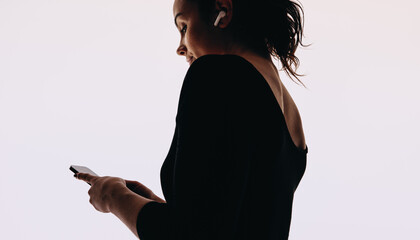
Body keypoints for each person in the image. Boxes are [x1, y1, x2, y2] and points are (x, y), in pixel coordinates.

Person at [74, 0, 308, 239]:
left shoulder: (215, 74)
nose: (180, 48)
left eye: (184, 27)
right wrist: (152, 204)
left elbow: (188, 234)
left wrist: (115, 198)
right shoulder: (291, 116)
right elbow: (224, 221)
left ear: (222, 11)